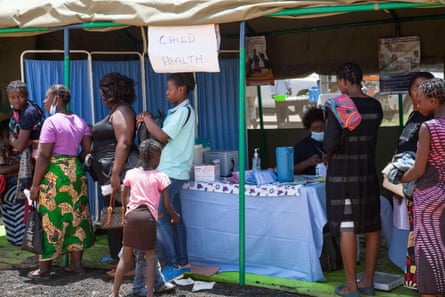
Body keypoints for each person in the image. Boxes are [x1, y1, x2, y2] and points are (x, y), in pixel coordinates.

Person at [323, 62, 383, 297]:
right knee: (371, 226)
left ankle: (351, 286)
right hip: (367, 172)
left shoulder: (337, 106)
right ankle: (367, 282)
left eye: (339, 82)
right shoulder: (376, 107)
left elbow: (329, 144)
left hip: (342, 175)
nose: (339, 87)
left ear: (345, 81)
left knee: (347, 227)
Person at [27, 84, 94, 279]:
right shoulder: (80, 121)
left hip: (55, 176)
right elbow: (88, 149)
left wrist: (35, 184)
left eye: (47, 98)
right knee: (77, 216)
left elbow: (44, 156)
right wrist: (73, 162)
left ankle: (45, 269)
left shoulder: (51, 122)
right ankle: (76, 264)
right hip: (76, 173)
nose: (44, 102)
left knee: (49, 217)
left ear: (56, 99)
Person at [137, 72, 196, 281]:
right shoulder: (179, 111)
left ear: (181, 89)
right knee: (175, 217)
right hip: (172, 171)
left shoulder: (183, 112)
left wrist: (148, 119)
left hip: (172, 172)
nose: (166, 93)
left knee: (160, 216)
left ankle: (172, 264)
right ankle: (183, 262)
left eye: (169, 89)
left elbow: (162, 135)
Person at [112, 139, 180, 297]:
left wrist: (125, 211)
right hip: (148, 219)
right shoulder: (161, 176)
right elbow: (167, 204)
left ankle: (114, 293)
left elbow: (124, 195)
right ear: (157, 158)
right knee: (150, 257)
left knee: (126, 257)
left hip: (132, 217)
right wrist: (174, 216)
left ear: (141, 157)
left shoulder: (131, 174)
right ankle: (149, 293)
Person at [400, 78, 445, 297]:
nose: (417, 106)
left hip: (429, 197)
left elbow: (418, 169)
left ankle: (429, 291)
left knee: (428, 251)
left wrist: (400, 177)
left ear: (434, 101)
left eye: (421, 101)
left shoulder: (429, 127)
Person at [89, 72, 138, 263]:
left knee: (119, 214)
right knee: (114, 213)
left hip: (117, 173)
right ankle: (118, 258)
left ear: (113, 92)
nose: (101, 96)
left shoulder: (122, 112)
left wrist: (116, 174)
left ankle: (125, 261)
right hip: (108, 173)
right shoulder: (117, 111)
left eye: (103, 91)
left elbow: (124, 142)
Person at [395, 71, 434, 290]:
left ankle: (429, 285)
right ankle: (421, 283)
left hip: (424, 187)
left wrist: (402, 178)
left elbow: (420, 165)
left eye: (426, 87)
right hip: (412, 187)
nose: (420, 91)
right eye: (417, 87)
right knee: (418, 235)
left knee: (427, 238)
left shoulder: (433, 120)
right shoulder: (414, 116)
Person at [6, 80, 44, 263]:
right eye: (13, 97)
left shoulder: (28, 113)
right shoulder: (22, 111)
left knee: (35, 209)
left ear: (26, 96)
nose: (17, 100)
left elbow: (20, 145)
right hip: (31, 162)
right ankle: (37, 252)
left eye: (20, 96)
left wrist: (12, 141)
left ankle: (39, 255)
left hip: (35, 164)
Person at [293, 107, 325, 175]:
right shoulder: (302, 145)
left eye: (322, 128)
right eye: (315, 128)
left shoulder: (334, 142)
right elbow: (292, 170)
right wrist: (308, 162)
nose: (319, 130)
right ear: (309, 129)